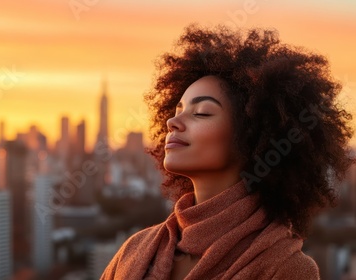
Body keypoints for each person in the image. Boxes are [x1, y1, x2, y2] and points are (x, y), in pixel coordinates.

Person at [101, 24, 354, 280]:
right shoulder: (133, 252)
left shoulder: (285, 269)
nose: (172, 123)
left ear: (252, 135)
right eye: (177, 111)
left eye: (202, 113)